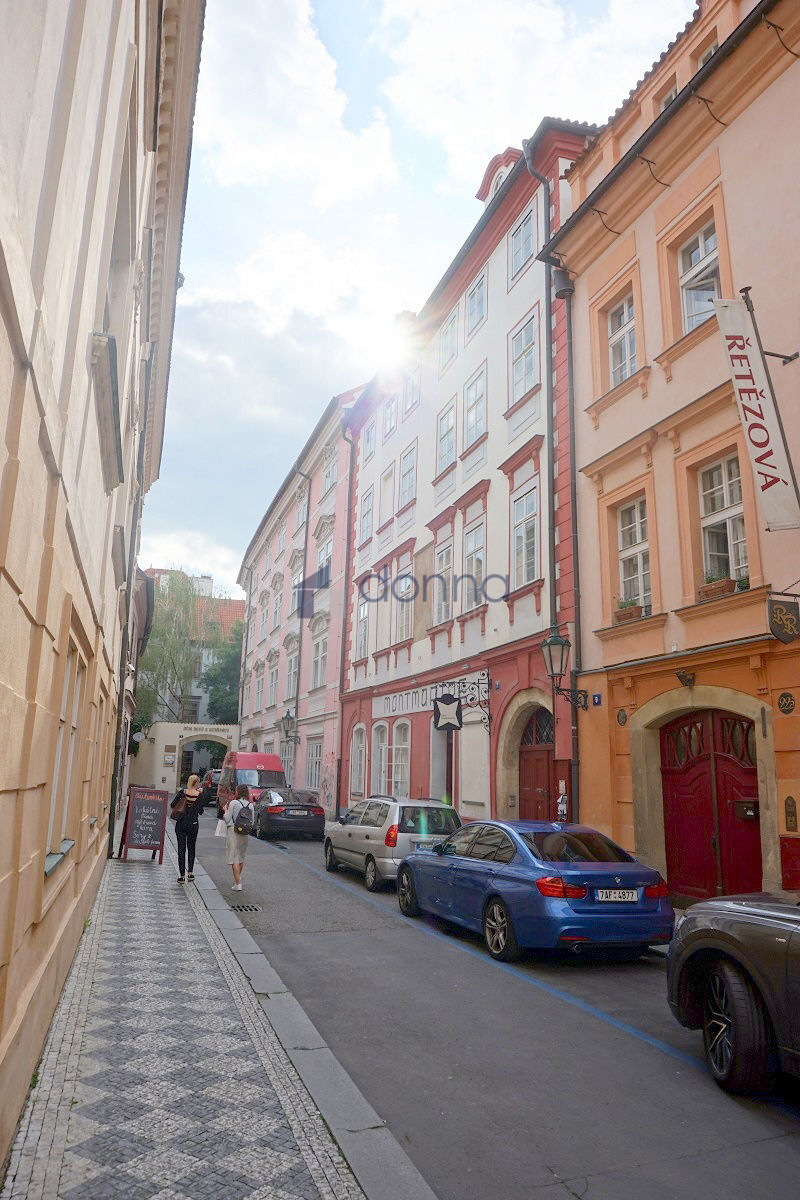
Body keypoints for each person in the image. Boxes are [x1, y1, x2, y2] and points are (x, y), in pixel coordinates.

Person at [174, 773, 204, 884]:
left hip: (181, 824)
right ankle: (190, 873)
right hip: (193, 824)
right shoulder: (199, 795)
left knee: (181, 850)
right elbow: (201, 811)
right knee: (191, 848)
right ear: (196, 783)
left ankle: (182, 876)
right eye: (199, 782)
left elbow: (173, 804)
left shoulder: (182, 793)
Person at [224, 783, 252, 891]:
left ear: (238, 792)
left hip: (233, 831)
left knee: (234, 857)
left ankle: (238, 883)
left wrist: (225, 810)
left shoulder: (234, 803)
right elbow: (252, 821)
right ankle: (237, 880)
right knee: (241, 857)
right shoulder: (250, 805)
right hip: (245, 832)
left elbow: (227, 819)